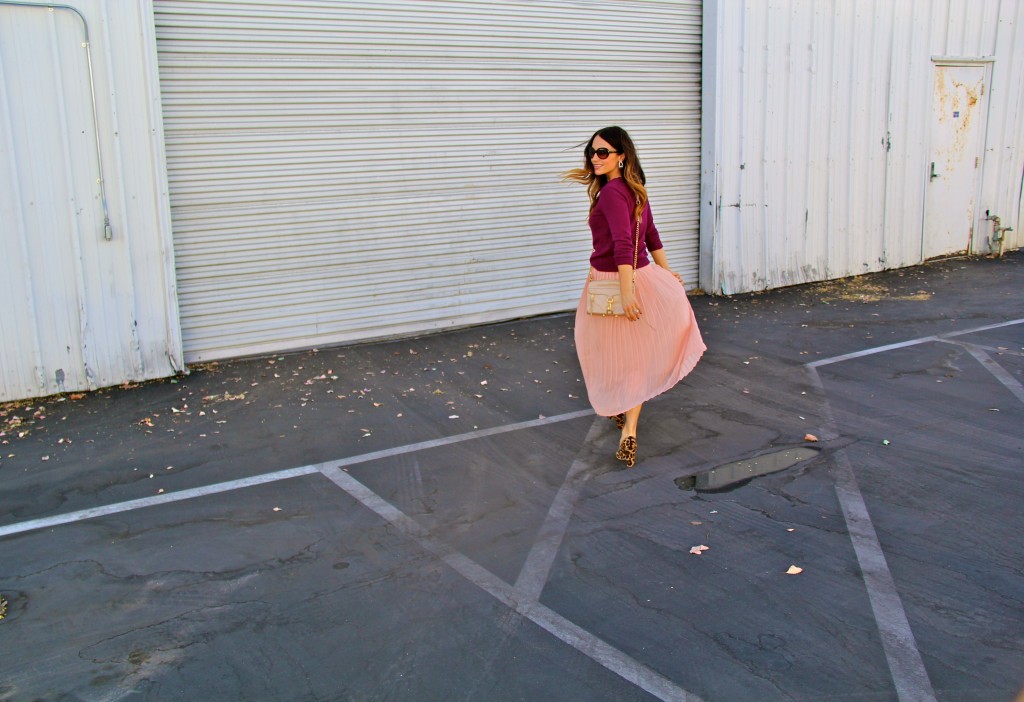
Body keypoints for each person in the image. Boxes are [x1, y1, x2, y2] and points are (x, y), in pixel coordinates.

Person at [564, 126, 706, 467]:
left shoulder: (613, 193)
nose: (595, 159)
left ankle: (626, 423)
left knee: (603, 350)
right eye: (592, 153)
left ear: (621, 155)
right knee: (635, 355)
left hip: (616, 282)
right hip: (638, 276)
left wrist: (628, 294)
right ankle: (627, 421)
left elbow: (627, 244)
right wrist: (665, 271)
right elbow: (652, 234)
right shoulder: (633, 189)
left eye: (603, 153)